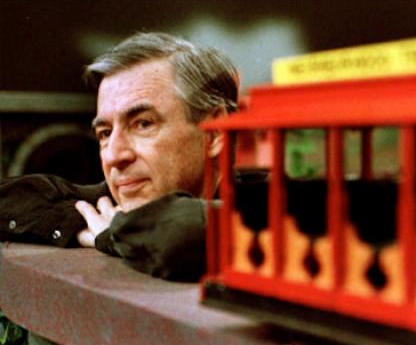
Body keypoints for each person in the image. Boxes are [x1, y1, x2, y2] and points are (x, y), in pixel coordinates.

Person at [0, 32, 240, 281]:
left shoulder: (263, 205)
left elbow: (182, 233)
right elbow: (13, 198)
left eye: (143, 124)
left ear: (214, 133)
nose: (114, 156)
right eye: (105, 133)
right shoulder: (115, 203)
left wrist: (113, 235)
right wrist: (82, 225)